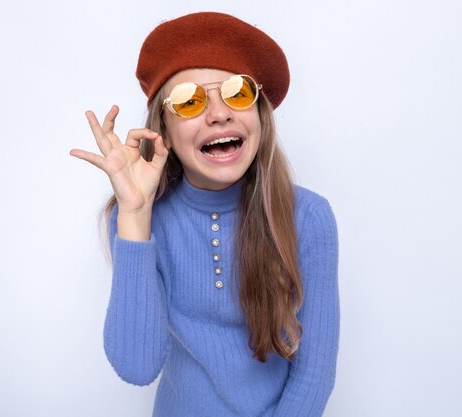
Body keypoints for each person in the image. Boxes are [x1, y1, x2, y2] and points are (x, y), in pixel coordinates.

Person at [70, 11, 340, 417]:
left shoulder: (309, 217)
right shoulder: (135, 220)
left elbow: (314, 373)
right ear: (164, 130)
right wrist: (135, 213)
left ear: (260, 116)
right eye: (189, 101)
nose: (218, 113)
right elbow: (137, 367)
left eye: (236, 93)